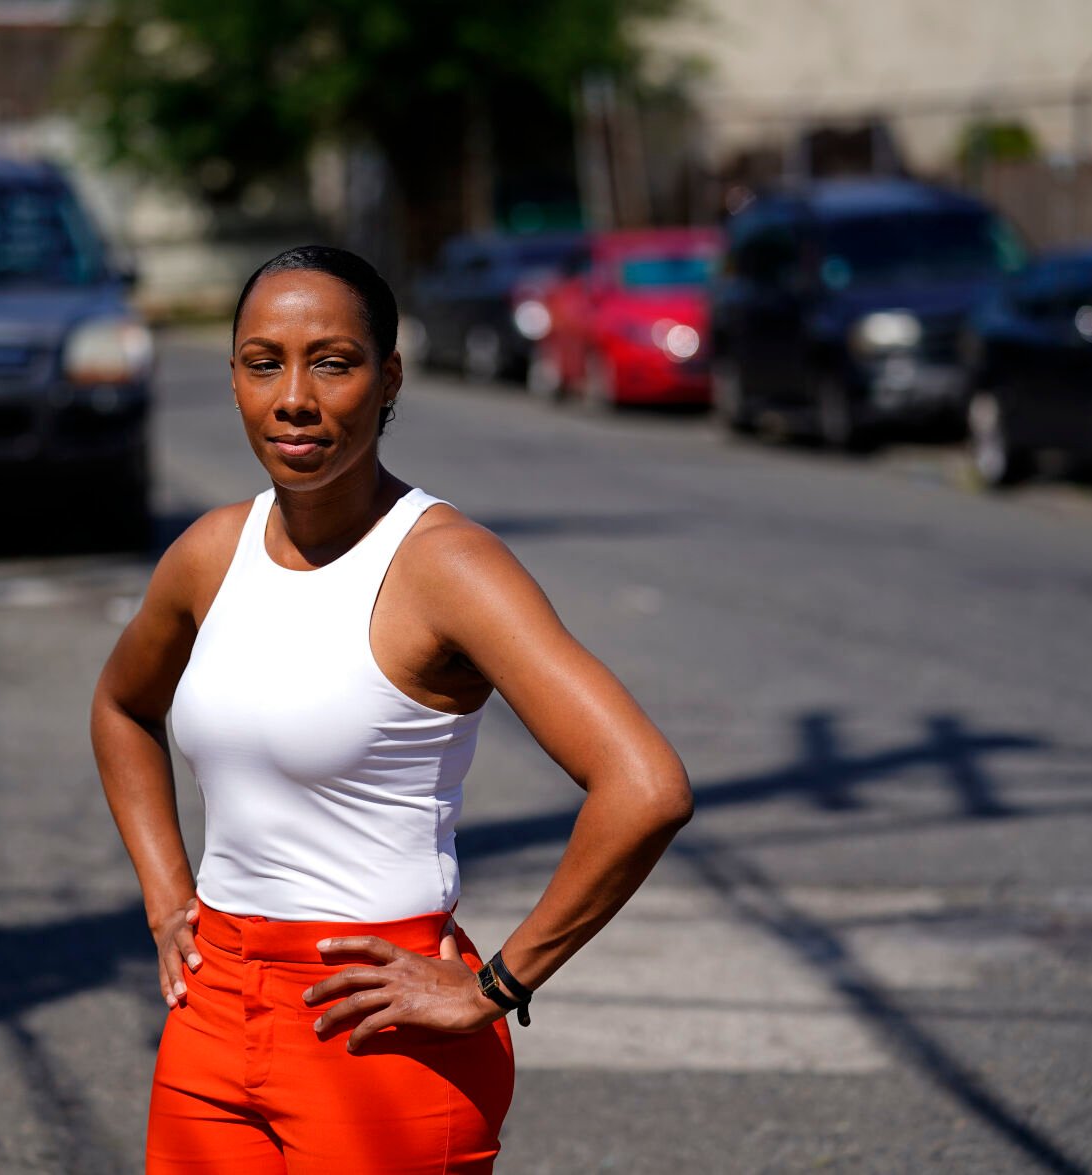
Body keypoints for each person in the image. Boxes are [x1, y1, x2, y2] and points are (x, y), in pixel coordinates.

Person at [90, 244, 692, 1173]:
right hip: (208, 1016)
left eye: (332, 361)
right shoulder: (212, 551)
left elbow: (644, 786)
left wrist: (493, 986)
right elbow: (123, 705)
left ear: (388, 377)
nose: (294, 396)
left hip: (377, 1027)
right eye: (263, 363)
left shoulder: (447, 565)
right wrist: (167, 894)